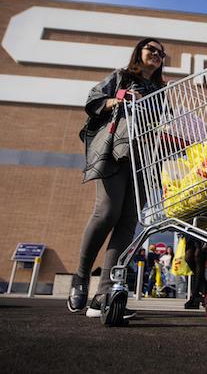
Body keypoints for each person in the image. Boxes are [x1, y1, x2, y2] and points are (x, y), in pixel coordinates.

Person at [67, 38, 167, 317]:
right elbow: (94, 100)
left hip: (145, 158)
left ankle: (104, 293)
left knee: (128, 222)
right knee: (107, 212)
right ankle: (81, 277)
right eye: (152, 50)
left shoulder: (162, 89)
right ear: (139, 52)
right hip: (115, 150)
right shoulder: (121, 77)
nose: (157, 55)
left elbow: (164, 120)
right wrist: (119, 98)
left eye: (161, 53)